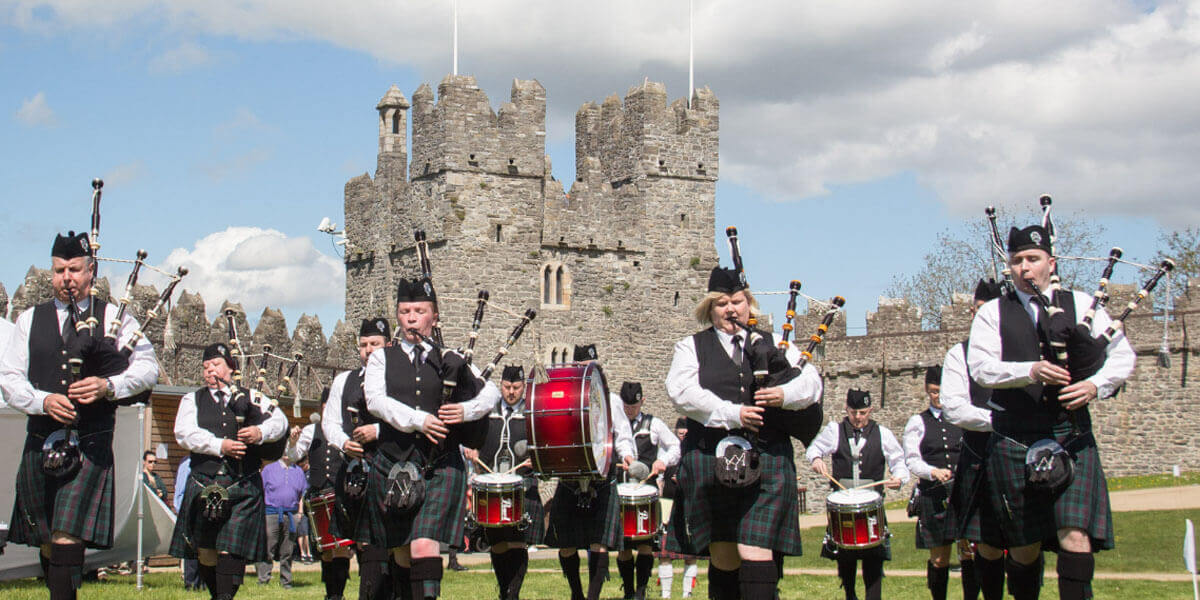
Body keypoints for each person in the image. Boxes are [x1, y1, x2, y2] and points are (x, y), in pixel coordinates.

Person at [966, 224, 1134, 600]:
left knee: (1076, 535)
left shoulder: (1085, 306)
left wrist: (1095, 386)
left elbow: (1122, 356)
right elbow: (980, 367)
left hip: (1070, 435)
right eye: (1016, 261)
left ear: (1050, 262)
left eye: (1032, 259)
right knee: (1024, 546)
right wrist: (1029, 370)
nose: (1024, 268)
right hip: (1014, 436)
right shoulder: (993, 313)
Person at [0, 231, 159, 600]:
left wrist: (109, 386)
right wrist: (42, 401)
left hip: (90, 442)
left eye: (73, 269)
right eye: (58, 271)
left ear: (91, 270)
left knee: (66, 534)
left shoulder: (114, 317)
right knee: (47, 539)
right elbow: (9, 377)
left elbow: (147, 367)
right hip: (41, 439)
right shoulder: (29, 319)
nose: (65, 278)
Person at [664, 267, 823, 600]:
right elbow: (681, 391)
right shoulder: (691, 347)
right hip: (711, 458)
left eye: (737, 301)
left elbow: (811, 384)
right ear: (710, 309)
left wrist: (784, 395)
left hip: (767, 457)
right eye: (721, 303)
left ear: (749, 304)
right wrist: (732, 413)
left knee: (756, 548)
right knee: (723, 554)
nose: (730, 309)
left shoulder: (775, 344)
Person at [362, 276, 500, 600]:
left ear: (434, 316)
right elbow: (375, 400)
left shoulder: (450, 358)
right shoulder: (382, 358)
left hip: (440, 466)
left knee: (424, 543)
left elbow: (490, 392)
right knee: (401, 551)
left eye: (419, 310)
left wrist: (465, 410)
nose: (411, 317)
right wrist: (418, 420)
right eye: (405, 310)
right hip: (394, 463)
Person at [168, 342, 288, 600]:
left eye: (216, 365)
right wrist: (218, 445)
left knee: (231, 551)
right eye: (206, 366)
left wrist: (260, 433)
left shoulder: (253, 397)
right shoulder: (192, 399)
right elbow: (184, 433)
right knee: (206, 553)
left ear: (231, 369)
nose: (210, 370)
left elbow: (280, 421)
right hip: (204, 483)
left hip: (243, 485)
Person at [544, 344, 637, 600]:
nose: (590, 372)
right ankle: (576, 593)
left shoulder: (612, 399)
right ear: (575, 369)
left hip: (602, 477)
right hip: (571, 476)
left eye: (594, 368)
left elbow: (623, 435)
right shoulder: (565, 397)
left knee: (600, 542)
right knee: (565, 543)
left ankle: (592, 597)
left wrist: (628, 454)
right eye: (585, 368)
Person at [807, 389, 908, 600]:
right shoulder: (835, 430)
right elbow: (814, 448)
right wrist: (816, 459)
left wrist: (898, 478)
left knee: (874, 559)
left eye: (863, 413)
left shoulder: (883, 433)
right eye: (854, 413)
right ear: (847, 409)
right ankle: (850, 594)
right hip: (843, 509)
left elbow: (899, 462)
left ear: (870, 410)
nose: (858, 418)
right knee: (846, 559)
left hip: (872, 508)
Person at [940, 278, 1006, 600]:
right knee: (974, 543)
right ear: (971, 311)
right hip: (978, 455)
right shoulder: (959, 353)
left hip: (1017, 453)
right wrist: (999, 421)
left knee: (1026, 543)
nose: (983, 318)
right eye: (979, 311)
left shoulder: (1020, 349)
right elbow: (953, 408)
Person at [322, 317, 394, 600]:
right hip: (353, 472)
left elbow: (411, 421)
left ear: (387, 345)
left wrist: (377, 430)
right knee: (364, 543)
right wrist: (344, 443)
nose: (368, 350)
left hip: (389, 470)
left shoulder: (397, 379)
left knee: (385, 547)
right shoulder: (344, 380)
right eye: (363, 345)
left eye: (374, 344)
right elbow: (330, 423)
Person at [462, 364, 544, 600]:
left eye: (516, 388)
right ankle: (504, 590)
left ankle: (513, 595)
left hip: (522, 485)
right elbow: (471, 438)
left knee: (518, 542)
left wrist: (534, 459)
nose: (511, 392)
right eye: (507, 387)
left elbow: (543, 445)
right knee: (498, 542)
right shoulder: (488, 410)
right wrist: (471, 450)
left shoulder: (532, 413)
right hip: (492, 485)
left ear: (523, 388)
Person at [904, 366, 966, 600]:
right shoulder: (917, 422)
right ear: (927, 391)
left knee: (969, 552)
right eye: (933, 392)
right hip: (933, 494)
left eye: (941, 391)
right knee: (940, 558)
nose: (938, 397)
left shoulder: (962, 417)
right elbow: (912, 459)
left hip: (962, 493)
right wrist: (932, 471)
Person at [615, 381, 680, 600]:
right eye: (626, 406)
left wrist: (663, 461)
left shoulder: (654, 424)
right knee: (623, 545)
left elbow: (675, 447)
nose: (630, 410)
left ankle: (641, 591)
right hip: (621, 490)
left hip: (646, 493)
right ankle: (628, 589)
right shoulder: (615, 425)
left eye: (634, 406)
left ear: (642, 402)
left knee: (645, 543)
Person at [289, 387, 354, 599]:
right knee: (326, 549)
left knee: (341, 546)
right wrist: (292, 441)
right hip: (318, 494)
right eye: (325, 408)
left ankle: (338, 594)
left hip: (340, 493)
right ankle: (330, 593)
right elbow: (294, 455)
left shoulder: (346, 429)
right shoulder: (310, 431)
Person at [655, 417, 700, 598]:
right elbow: (659, 474)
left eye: (686, 434)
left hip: (689, 503)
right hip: (667, 503)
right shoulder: (669, 451)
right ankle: (665, 594)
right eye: (680, 433)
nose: (683, 437)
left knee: (690, 551)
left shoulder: (695, 450)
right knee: (664, 552)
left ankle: (687, 592)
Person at [255, 455, 307, 588]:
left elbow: (301, 494)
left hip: (292, 514)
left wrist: (300, 512)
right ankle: (263, 580)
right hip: (271, 513)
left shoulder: (298, 471)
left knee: (287, 550)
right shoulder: (269, 469)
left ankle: (286, 581)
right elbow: (260, 491)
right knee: (268, 548)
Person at [175, 455, 204, 592]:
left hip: (205, 511)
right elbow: (180, 492)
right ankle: (190, 583)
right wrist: (183, 512)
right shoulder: (187, 463)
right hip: (189, 511)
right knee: (191, 548)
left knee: (205, 548)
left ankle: (203, 583)